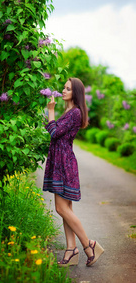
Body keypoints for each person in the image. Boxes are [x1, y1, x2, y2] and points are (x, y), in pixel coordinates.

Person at [43, 77, 104, 267]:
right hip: (60, 162)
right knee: (65, 210)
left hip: (64, 164)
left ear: (75, 93)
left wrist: (50, 112)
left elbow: (54, 133)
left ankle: (89, 244)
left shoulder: (75, 113)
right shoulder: (68, 111)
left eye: (67, 89)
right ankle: (71, 249)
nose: (63, 90)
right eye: (63, 87)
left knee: (62, 209)